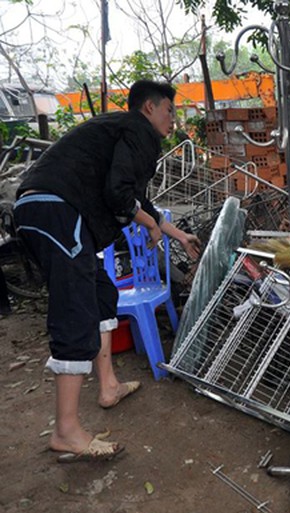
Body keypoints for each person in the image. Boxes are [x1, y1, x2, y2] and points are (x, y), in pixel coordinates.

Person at [13, 80, 201, 463]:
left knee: (101, 294)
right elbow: (119, 196)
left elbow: (136, 198)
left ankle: (109, 386)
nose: (173, 118)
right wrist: (148, 224)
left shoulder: (119, 132)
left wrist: (177, 234)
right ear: (148, 108)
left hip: (44, 210)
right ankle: (66, 431)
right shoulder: (137, 131)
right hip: (57, 211)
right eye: (169, 109)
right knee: (75, 310)